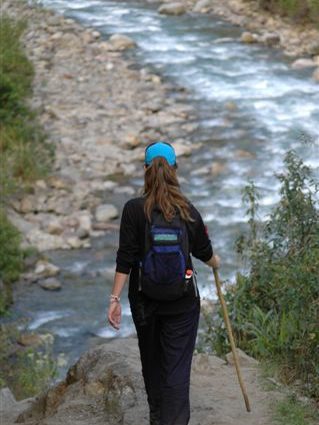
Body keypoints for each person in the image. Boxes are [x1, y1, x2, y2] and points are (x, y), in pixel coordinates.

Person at [108, 141, 220, 425]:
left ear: (146, 170)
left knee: (152, 362)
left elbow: (125, 258)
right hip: (182, 301)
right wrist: (215, 263)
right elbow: (203, 251)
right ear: (174, 170)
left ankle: (157, 418)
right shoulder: (187, 210)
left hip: (145, 301)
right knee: (177, 369)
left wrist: (114, 300)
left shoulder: (133, 210)